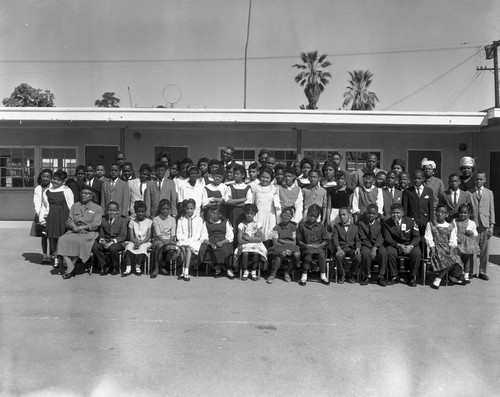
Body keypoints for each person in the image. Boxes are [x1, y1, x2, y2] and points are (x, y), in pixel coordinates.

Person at [58, 185, 103, 279]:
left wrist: (82, 228)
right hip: (74, 231)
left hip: (89, 233)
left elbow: (96, 224)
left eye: (87, 193)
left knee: (79, 242)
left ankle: (70, 268)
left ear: (92, 196)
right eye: (82, 193)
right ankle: (70, 265)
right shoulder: (75, 206)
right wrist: (74, 227)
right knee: (62, 239)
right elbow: (70, 220)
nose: (83, 195)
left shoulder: (97, 208)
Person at [39, 170, 74, 269]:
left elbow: (71, 205)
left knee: (63, 238)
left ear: (63, 181)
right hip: (52, 217)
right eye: (54, 179)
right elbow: (45, 206)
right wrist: (43, 218)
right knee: (53, 238)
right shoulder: (47, 191)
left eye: (58, 180)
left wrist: (71, 219)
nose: (55, 181)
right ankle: (56, 258)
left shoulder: (66, 190)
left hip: (64, 216)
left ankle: (65, 259)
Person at [382, 203, 421, 287]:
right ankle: (394, 276)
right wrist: (398, 245)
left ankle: (411, 277)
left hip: (409, 244)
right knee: (390, 252)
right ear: (390, 213)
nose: (395, 215)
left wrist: (411, 246)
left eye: (397, 213)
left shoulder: (410, 221)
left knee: (417, 253)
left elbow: (417, 237)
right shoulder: (386, 223)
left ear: (402, 213)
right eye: (393, 213)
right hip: (395, 245)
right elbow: (387, 239)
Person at [424, 205, 462, 289]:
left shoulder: (450, 226)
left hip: (447, 248)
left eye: (443, 212)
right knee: (448, 258)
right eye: (438, 211)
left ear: (447, 215)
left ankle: (441, 277)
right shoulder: (430, 224)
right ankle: (441, 278)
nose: (440, 214)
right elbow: (428, 237)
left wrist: (451, 249)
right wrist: (432, 248)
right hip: (436, 248)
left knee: (454, 257)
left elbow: (453, 240)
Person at [468, 172, 495, 280]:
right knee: (473, 249)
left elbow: (491, 209)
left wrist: (491, 225)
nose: (478, 181)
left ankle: (482, 271)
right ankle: (472, 271)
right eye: (477, 179)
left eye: (481, 179)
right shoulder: (469, 193)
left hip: (485, 225)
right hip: (474, 224)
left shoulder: (489, 193)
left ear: (484, 180)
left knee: (485, 250)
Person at [198, 204, 235, 279]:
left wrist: (222, 242)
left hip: (224, 240)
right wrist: (209, 243)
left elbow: (230, 237)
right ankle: (217, 267)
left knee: (225, 249)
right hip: (211, 241)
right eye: (210, 212)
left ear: (220, 214)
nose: (211, 214)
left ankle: (228, 268)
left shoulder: (226, 222)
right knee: (204, 249)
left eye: (214, 213)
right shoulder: (206, 223)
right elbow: (204, 236)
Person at [91, 201, 127, 276]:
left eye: (114, 211)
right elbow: (101, 233)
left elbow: (123, 236)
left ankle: (115, 266)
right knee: (95, 247)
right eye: (110, 210)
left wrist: (112, 242)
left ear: (118, 211)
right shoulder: (103, 220)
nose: (112, 212)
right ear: (107, 210)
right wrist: (102, 240)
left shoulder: (122, 221)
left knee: (112, 248)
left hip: (117, 242)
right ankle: (105, 265)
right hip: (106, 241)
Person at [297, 204, 329, 286]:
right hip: (306, 248)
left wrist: (319, 245)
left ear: (317, 217)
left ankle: (323, 275)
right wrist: (305, 245)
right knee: (308, 255)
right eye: (310, 215)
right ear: (307, 214)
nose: (312, 218)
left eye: (314, 216)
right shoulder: (302, 225)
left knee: (322, 255)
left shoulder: (320, 226)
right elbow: (299, 240)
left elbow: (325, 240)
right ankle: (304, 276)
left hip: (318, 248)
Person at [267, 207, 300, 284]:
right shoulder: (276, 228)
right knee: (283, 253)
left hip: (289, 246)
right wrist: (286, 244)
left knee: (297, 254)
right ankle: (273, 273)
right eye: (284, 215)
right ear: (281, 215)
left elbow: (294, 242)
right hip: (279, 247)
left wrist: (281, 240)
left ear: (291, 217)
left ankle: (287, 272)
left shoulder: (293, 228)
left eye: (288, 216)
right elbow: (275, 243)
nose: (286, 217)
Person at [357, 204, 388, 286]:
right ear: (366, 213)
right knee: (365, 253)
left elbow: (381, 237)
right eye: (369, 213)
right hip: (366, 244)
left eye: (373, 213)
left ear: (377, 214)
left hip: (377, 245)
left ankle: (380, 276)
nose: (371, 215)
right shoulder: (361, 223)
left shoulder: (381, 224)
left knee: (383, 252)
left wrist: (374, 248)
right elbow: (362, 237)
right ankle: (368, 276)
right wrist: (371, 248)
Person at [236, 203, 267, 281]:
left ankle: (254, 271)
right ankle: (245, 271)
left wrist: (247, 238)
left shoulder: (258, 224)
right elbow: (239, 240)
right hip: (244, 244)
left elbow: (260, 239)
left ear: (254, 214)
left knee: (256, 253)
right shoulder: (241, 225)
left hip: (255, 244)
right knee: (245, 253)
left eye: (251, 213)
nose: (249, 215)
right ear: (244, 213)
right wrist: (251, 240)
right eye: (247, 213)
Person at [176, 199, 205, 281]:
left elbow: (198, 233)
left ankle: (186, 270)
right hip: (183, 240)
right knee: (182, 248)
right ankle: (182, 270)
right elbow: (179, 233)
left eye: (191, 209)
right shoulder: (181, 220)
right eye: (187, 209)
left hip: (194, 241)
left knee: (188, 248)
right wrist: (185, 240)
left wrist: (190, 241)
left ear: (194, 208)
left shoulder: (199, 219)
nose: (189, 210)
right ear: (185, 209)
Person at [122, 201, 152, 276]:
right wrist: (135, 242)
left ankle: (137, 267)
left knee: (142, 247)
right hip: (134, 241)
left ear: (145, 212)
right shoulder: (132, 222)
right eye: (138, 211)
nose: (140, 213)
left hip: (145, 241)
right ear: (135, 212)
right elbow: (131, 236)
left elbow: (148, 236)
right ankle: (128, 268)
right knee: (129, 247)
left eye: (142, 211)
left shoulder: (149, 222)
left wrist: (140, 243)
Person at [150, 199, 178, 279]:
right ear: (160, 209)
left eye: (167, 209)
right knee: (160, 245)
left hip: (169, 240)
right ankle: (156, 269)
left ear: (169, 209)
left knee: (172, 248)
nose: (165, 211)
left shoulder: (172, 220)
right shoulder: (156, 219)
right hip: (158, 240)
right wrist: (164, 242)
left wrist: (168, 242)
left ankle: (164, 265)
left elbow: (173, 234)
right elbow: (158, 234)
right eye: (163, 209)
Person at [333, 207, 361, 284]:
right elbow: (335, 239)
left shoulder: (355, 227)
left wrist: (358, 248)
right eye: (340, 215)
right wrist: (338, 249)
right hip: (341, 248)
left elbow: (358, 240)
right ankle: (342, 275)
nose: (342, 217)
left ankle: (352, 274)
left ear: (349, 215)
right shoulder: (337, 226)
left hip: (351, 248)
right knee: (339, 257)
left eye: (344, 214)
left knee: (358, 258)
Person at [252, 167, 279, 246]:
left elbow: (277, 205)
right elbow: (253, 203)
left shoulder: (274, 189)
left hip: (270, 215)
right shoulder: (255, 188)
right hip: (258, 215)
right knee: (258, 233)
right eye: (263, 177)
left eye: (267, 178)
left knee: (269, 234)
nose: (265, 179)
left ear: (271, 179)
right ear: (260, 177)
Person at [452, 203, 479, 284]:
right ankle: (459, 274)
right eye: (461, 213)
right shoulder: (454, 221)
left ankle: (466, 276)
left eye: (465, 213)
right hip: (458, 243)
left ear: (469, 214)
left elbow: (475, 233)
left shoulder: (472, 223)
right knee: (458, 259)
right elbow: (452, 232)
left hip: (468, 244)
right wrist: (456, 239)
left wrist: (472, 233)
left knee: (466, 260)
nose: (462, 214)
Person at [30, 169, 53, 264]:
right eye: (44, 176)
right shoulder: (38, 188)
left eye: (48, 177)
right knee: (43, 236)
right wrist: (38, 213)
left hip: (51, 214)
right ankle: (44, 256)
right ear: (41, 177)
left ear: (51, 178)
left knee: (51, 236)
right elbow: (36, 201)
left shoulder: (53, 188)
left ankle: (51, 255)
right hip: (41, 214)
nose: (45, 178)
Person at [402, 169, 434, 236]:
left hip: (425, 222)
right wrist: (405, 221)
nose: (417, 180)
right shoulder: (407, 191)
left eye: (419, 178)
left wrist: (430, 221)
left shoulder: (429, 191)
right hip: (412, 222)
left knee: (424, 240)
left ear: (423, 179)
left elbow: (431, 208)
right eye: (415, 178)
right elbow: (405, 208)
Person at [225, 164, 253, 235]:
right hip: (232, 214)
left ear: (243, 175)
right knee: (232, 231)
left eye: (237, 174)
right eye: (234, 174)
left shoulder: (247, 188)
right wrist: (241, 200)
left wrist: (233, 202)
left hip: (243, 214)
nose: (235, 175)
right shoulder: (230, 187)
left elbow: (248, 203)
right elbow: (227, 201)